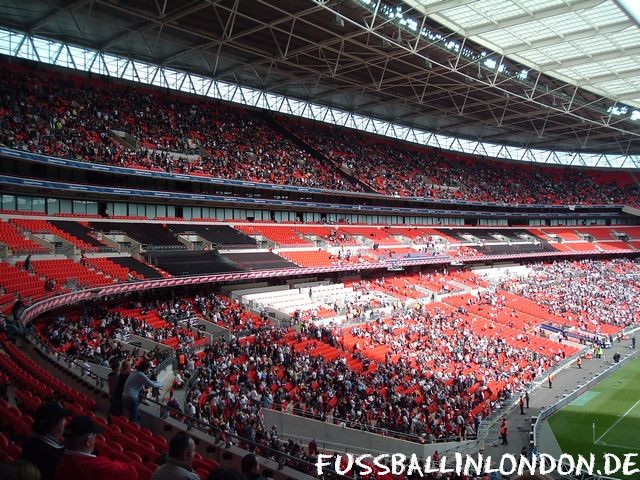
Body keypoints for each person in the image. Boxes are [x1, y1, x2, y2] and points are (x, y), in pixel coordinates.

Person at [54, 416, 138, 480]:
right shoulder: (97, 467)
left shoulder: (60, 459)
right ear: (87, 441)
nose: (95, 439)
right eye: (94, 435)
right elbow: (132, 473)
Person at [21, 399, 71, 480]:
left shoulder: (29, 442)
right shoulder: (57, 458)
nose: (65, 422)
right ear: (55, 425)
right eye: (63, 420)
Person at [122, 359, 162, 423]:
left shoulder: (135, 372)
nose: (149, 370)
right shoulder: (140, 375)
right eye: (149, 368)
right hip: (131, 398)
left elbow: (148, 381)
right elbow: (151, 384)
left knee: (137, 417)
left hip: (125, 397)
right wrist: (160, 384)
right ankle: (131, 431)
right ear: (145, 368)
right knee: (134, 420)